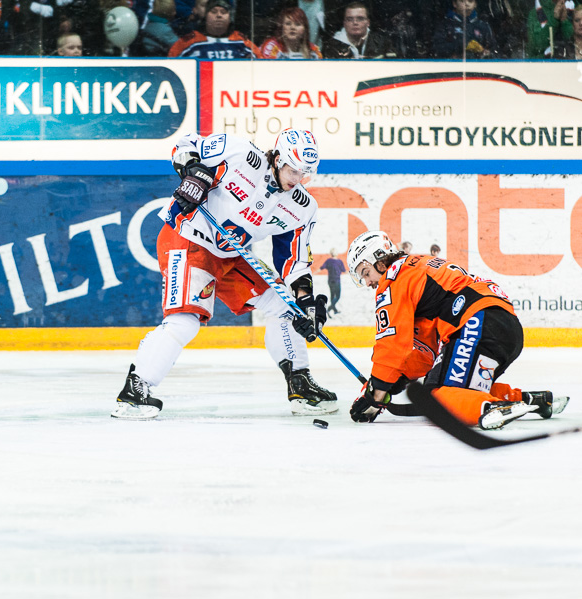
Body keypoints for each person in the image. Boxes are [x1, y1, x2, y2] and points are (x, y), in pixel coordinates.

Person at [112, 129, 337, 419]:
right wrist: (193, 173)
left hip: (231, 255)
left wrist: (305, 302)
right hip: (188, 237)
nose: (297, 179)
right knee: (184, 322)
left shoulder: (302, 207)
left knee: (286, 307)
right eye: (293, 170)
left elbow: (293, 261)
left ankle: (300, 386)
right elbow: (186, 144)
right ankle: (134, 390)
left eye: (304, 173)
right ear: (278, 158)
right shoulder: (241, 153)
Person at [345, 231, 568, 431]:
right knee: (456, 389)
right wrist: (394, 382)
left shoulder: (393, 280)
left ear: (379, 261)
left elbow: (391, 343)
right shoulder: (415, 268)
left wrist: (376, 392)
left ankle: (490, 408)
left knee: (437, 397)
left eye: (365, 273)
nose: (367, 282)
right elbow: (424, 354)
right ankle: (529, 400)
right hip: (503, 325)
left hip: (477, 323)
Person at [168, 0, 260, 58]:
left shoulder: (242, 42)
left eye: (223, 12)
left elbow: (261, 63)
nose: (219, 15)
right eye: (213, 12)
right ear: (206, 16)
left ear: (230, 17)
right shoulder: (188, 42)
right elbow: (172, 67)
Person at [322, 2, 397, 58]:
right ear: (344, 23)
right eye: (350, 19)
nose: (355, 23)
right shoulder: (331, 46)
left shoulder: (384, 43)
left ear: (368, 22)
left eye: (360, 19)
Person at [432, 0, 498, 58]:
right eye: (462, 1)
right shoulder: (445, 25)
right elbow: (436, 49)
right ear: (454, 4)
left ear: (475, 4)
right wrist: (463, 46)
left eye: (470, 1)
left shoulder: (483, 26)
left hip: (479, 68)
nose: (467, 4)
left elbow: (495, 51)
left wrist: (486, 53)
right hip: (452, 67)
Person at [319, 248, 345, 315]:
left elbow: (322, 267)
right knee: (338, 296)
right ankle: (329, 309)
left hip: (330, 281)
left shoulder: (328, 261)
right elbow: (344, 270)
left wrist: (314, 272)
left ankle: (334, 310)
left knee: (332, 295)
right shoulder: (339, 261)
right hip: (336, 281)